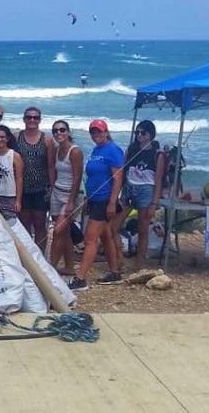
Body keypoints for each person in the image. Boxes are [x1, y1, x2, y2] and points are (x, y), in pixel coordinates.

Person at [68, 119, 125, 291]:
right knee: (105, 235)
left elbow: (118, 178)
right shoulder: (96, 150)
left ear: (106, 132)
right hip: (94, 198)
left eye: (99, 131)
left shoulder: (113, 150)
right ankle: (114, 272)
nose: (96, 135)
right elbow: (93, 177)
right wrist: (87, 198)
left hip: (105, 200)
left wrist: (112, 202)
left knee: (90, 238)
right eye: (93, 132)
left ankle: (81, 278)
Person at [111, 120, 164, 272]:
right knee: (114, 225)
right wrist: (116, 195)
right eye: (137, 132)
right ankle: (119, 259)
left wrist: (154, 204)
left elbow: (158, 180)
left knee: (142, 229)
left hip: (146, 190)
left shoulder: (157, 154)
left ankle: (138, 264)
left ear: (150, 135)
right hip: (129, 188)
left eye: (143, 133)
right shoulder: (132, 149)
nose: (139, 135)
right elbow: (123, 172)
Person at [16, 106, 55, 247]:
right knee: (24, 224)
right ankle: (28, 259)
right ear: (24, 119)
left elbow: (51, 166)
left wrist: (52, 187)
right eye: (29, 117)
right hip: (22, 189)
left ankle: (40, 259)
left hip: (41, 189)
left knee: (39, 225)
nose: (32, 120)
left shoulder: (47, 140)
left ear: (40, 120)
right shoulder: (16, 137)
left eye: (35, 117)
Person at [49, 120, 83, 276]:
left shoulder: (75, 152)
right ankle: (69, 267)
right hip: (57, 192)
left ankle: (50, 268)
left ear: (68, 132)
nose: (59, 133)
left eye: (62, 130)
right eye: (55, 131)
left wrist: (71, 202)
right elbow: (54, 171)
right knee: (65, 232)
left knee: (57, 231)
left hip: (71, 195)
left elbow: (77, 178)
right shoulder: (56, 150)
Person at [0, 124, 23, 222]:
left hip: (10, 196)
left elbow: (19, 179)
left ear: (7, 138)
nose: (0, 139)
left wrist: (18, 201)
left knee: (10, 226)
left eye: (2, 137)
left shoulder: (15, 156)